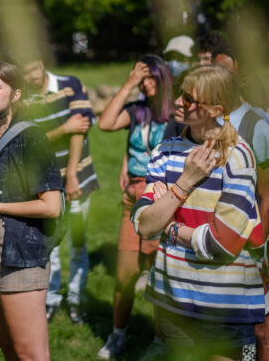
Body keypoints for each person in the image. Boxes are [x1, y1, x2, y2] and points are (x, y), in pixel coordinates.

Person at [131, 65, 266, 359]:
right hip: (172, 298)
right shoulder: (164, 151)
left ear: (216, 108)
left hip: (226, 304)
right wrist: (185, 182)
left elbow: (223, 242)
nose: (178, 102)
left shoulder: (237, 155)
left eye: (189, 100)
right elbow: (143, 225)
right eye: (181, 94)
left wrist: (169, 226)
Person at [0, 62, 63, 360]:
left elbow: (51, 206)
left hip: (21, 253)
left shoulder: (32, 139)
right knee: (9, 350)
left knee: (30, 354)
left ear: (15, 94)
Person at [97, 55, 176, 359]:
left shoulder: (175, 117)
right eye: (142, 79)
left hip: (159, 197)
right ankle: (118, 335)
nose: (146, 84)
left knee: (159, 275)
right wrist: (129, 84)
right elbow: (104, 123)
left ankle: (159, 340)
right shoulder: (137, 111)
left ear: (164, 79)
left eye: (151, 78)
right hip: (131, 196)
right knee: (125, 275)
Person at [19, 57, 99, 323]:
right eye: (24, 72)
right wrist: (64, 128)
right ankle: (51, 299)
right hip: (44, 187)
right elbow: (27, 140)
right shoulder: (24, 99)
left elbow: (82, 128)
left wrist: (73, 174)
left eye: (32, 68)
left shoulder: (69, 85)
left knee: (78, 243)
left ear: (40, 62)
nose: (30, 76)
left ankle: (77, 299)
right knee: (49, 245)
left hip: (78, 181)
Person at [213, 47, 269, 360]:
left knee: (260, 325)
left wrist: (256, 246)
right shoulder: (208, 123)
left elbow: (267, 197)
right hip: (216, 240)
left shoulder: (258, 126)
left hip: (250, 243)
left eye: (225, 72)